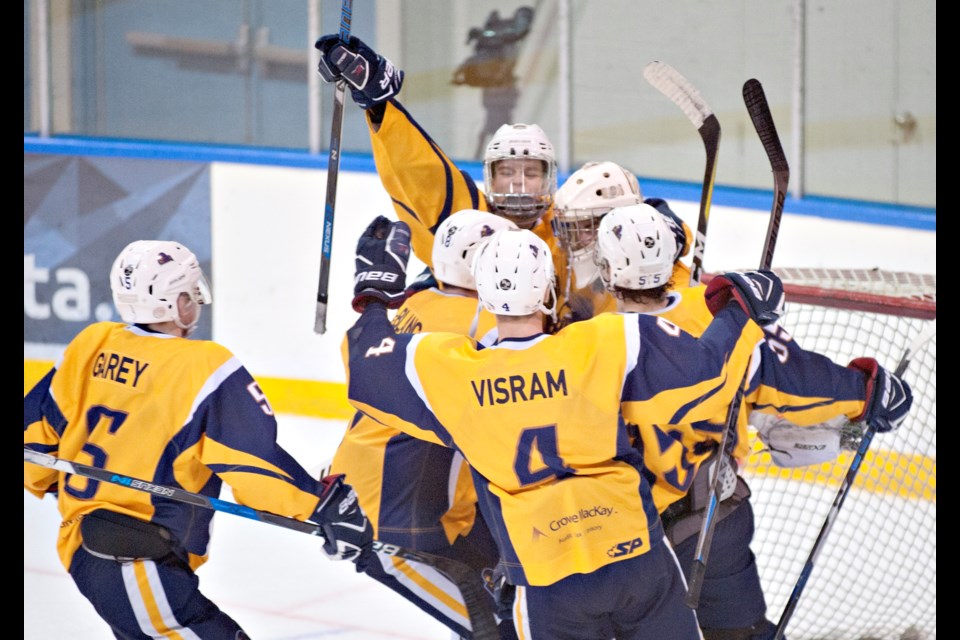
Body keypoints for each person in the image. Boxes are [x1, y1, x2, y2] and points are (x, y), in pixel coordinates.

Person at [336, 215, 791, 638]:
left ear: (487, 298)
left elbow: (366, 363)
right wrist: (741, 308)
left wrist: (376, 294)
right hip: (637, 557)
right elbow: (708, 372)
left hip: (546, 579)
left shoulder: (449, 370)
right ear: (549, 292)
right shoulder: (609, 338)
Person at [591, 204, 914, 639]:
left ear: (608, 269)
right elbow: (790, 380)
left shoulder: (586, 340)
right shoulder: (717, 312)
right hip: (710, 523)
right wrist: (866, 392)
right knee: (740, 634)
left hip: (624, 539)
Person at [23, 240, 373, 640]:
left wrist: (65, 485)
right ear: (180, 303)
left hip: (91, 550)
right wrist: (320, 502)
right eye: (191, 293)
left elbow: (34, 441)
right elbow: (251, 463)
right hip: (134, 560)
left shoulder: (91, 344)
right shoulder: (204, 366)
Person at [330, 210, 518, 639]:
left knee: (516, 608)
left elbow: (361, 360)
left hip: (383, 499)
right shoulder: (485, 327)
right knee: (500, 630)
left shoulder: (419, 299)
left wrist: (377, 293)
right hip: (397, 528)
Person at [551, 159, 693, 326]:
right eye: (573, 228)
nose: (579, 239)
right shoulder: (568, 263)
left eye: (588, 227)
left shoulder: (673, 289)